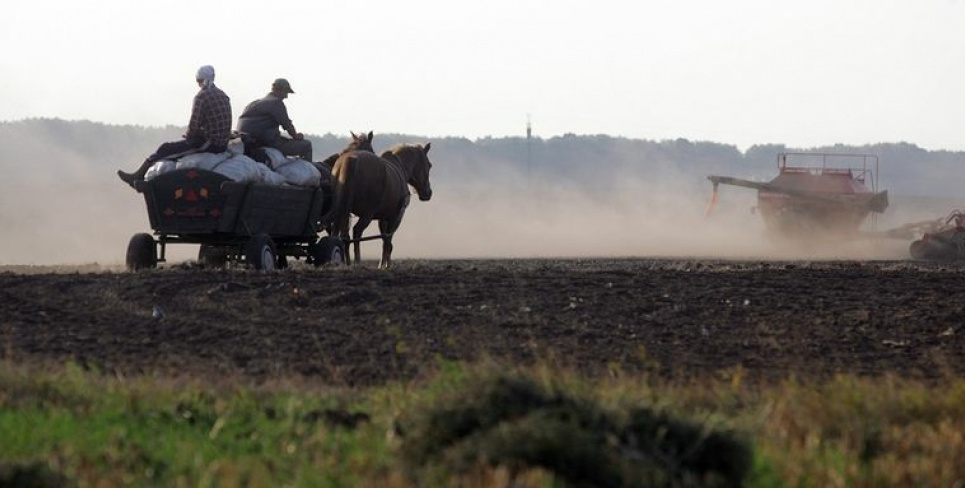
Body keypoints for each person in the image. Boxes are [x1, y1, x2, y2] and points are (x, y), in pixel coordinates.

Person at [117, 65, 232, 187]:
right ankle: (141, 175)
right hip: (222, 143)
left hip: (210, 144)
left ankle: (139, 175)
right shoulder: (223, 95)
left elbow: (194, 124)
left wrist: (189, 137)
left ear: (198, 80)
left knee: (166, 149)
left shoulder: (201, 97)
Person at [236, 78, 313, 161]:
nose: (286, 96)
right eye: (285, 92)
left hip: (247, 139)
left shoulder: (254, 103)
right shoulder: (276, 103)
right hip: (265, 141)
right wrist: (296, 136)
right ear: (279, 90)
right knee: (306, 145)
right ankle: (309, 171)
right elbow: (287, 125)